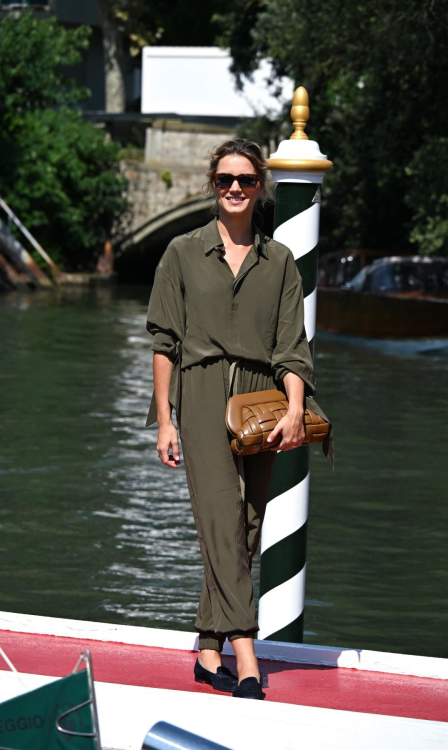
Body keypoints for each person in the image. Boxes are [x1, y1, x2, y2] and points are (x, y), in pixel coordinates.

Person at [145, 138, 326, 700]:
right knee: (222, 522)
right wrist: (165, 420)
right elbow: (164, 341)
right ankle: (247, 657)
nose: (235, 189)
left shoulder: (281, 264)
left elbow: (293, 348)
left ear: (260, 187)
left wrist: (296, 408)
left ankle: (207, 648)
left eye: (246, 180)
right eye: (225, 179)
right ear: (212, 183)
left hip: (262, 401)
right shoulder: (181, 251)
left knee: (245, 527)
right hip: (200, 395)